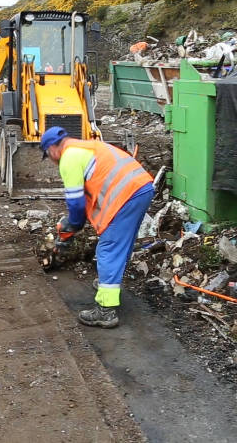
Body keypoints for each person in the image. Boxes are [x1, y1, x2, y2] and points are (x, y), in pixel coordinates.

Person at [40, 126, 154, 328]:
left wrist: (71, 227)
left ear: (51, 149)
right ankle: (108, 283)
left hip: (127, 195)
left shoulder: (68, 158)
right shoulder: (85, 147)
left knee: (108, 248)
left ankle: (105, 311)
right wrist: (73, 224)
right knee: (121, 244)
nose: (51, 160)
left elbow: (75, 204)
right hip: (142, 188)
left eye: (48, 155)